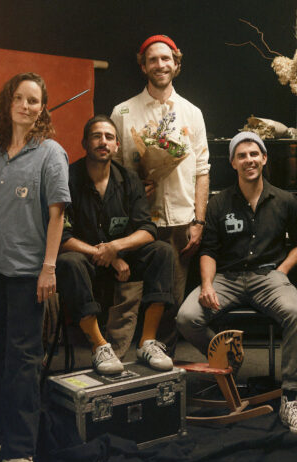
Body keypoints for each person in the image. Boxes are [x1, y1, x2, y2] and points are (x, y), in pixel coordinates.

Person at [0, 72, 70, 462]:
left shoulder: (51, 153)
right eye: (20, 99)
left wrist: (49, 267)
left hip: (27, 273)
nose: (27, 106)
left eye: (35, 101)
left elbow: (57, 213)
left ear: (43, 108)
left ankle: (22, 451)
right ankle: (7, 441)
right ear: (8, 103)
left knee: (23, 363)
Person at [176, 132, 297, 433]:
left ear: (264, 158)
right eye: (242, 155)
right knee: (187, 317)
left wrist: (283, 270)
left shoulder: (285, 200)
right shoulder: (218, 203)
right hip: (227, 278)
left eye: (254, 154)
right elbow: (209, 250)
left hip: (268, 277)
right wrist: (208, 285)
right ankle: (227, 361)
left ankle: (291, 398)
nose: (249, 160)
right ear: (232, 162)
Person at [110, 34, 210, 356]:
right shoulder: (123, 112)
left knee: (171, 299)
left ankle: (161, 364)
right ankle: (117, 363)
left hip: (180, 220)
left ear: (176, 63)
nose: (160, 65)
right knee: (128, 297)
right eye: (152, 59)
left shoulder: (192, 113)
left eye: (166, 59)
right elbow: (110, 172)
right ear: (143, 66)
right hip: (137, 224)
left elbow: (202, 170)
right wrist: (134, 184)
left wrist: (199, 220)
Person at [57, 115, 175, 374]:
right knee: (68, 262)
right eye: (96, 136)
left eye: (109, 137)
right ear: (85, 143)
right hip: (84, 257)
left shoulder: (129, 179)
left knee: (163, 252)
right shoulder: (68, 178)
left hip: (121, 255)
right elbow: (62, 237)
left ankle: (147, 342)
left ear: (117, 146)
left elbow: (148, 230)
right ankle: (100, 346)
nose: (103, 141)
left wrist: (116, 247)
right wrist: (106, 254)